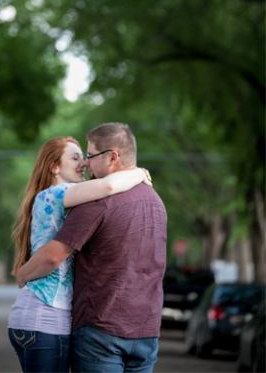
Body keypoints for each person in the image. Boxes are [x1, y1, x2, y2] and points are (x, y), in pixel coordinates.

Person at [16, 123, 167, 373]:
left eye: (89, 156)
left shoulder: (96, 200)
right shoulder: (156, 201)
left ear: (112, 157)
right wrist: (140, 172)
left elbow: (53, 256)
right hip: (146, 331)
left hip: (102, 330)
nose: (86, 164)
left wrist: (22, 273)